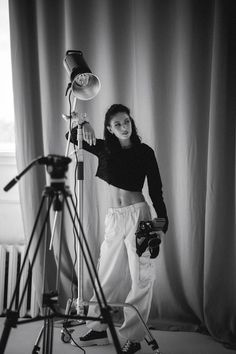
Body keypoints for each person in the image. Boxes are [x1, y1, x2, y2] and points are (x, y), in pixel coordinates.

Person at [67, 104, 169, 354]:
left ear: (131, 123)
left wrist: (162, 224)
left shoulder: (145, 152)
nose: (124, 127)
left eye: (126, 122)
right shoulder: (105, 148)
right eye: (117, 125)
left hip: (139, 218)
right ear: (110, 129)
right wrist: (84, 125)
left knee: (142, 277)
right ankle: (99, 328)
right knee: (106, 274)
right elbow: (70, 136)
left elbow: (156, 190)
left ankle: (133, 336)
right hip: (113, 218)